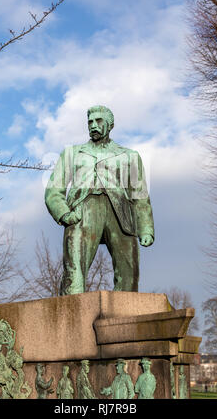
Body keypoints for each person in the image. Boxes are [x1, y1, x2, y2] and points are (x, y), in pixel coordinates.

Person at [45, 105, 154, 295]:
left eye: (99, 121)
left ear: (110, 125)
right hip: (82, 211)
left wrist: (146, 228)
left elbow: (140, 196)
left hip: (120, 215)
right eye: (90, 122)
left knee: (129, 270)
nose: (93, 125)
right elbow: (53, 190)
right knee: (74, 271)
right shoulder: (72, 153)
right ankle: (72, 315)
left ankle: (125, 316)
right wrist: (64, 214)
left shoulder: (129, 156)